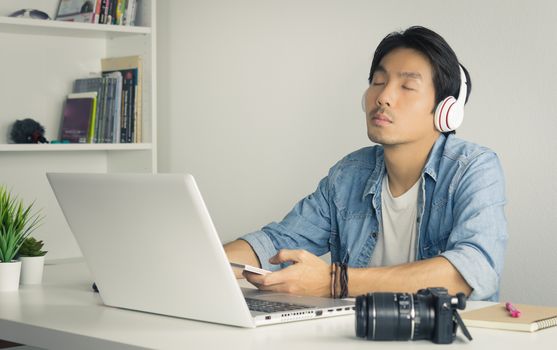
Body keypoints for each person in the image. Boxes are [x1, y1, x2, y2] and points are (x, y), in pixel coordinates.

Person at [224, 26, 507, 301]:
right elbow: (277, 243)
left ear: (447, 111)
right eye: (378, 82)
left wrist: (336, 281)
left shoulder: (474, 168)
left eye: (407, 86)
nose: (383, 97)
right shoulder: (349, 174)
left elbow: (471, 271)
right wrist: (201, 260)